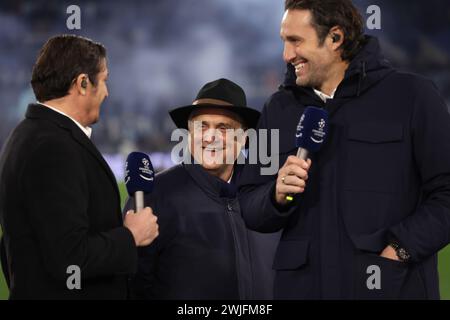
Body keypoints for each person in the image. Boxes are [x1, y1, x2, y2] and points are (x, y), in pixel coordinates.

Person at [238, 0, 450, 299]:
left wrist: (400, 249)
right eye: (284, 41)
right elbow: (247, 201)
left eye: (296, 41)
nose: (286, 55)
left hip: (388, 288)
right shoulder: (276, 108)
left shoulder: (413, 96)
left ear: (336, 38)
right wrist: (275, 194)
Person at [0, 34, 159, 299]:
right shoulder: (52, 146)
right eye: (105, 80)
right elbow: (70, 259)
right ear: (83, 83)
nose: (107, 92)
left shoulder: (29, 134)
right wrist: (130, 236)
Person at [126, 78, 279, 299]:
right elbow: (133, 285)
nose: (210, 137)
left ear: (244, 138)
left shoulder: (268, 193)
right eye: (201, 126)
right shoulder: (155, 194)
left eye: (223, 127)